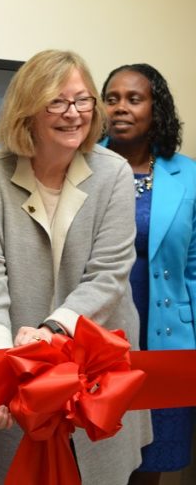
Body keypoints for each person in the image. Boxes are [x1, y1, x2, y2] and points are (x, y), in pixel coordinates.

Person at [0, 49, 152, 485]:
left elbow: (108, 276)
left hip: (94, 376)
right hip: (17, 379)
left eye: (83, 100)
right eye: (57, 102)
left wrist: (52, 331)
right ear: (28, 110)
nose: (74, 114)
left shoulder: (114, 173)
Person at [101, 64, 196, 485]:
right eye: (111, 98)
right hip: (99, 338)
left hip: (167, 342)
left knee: (149, 468)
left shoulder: (188, 176)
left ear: (157, 110)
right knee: (95, 457)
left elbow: (192, 268)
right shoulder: (81, 167)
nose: (120, 108)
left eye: (133, 99)